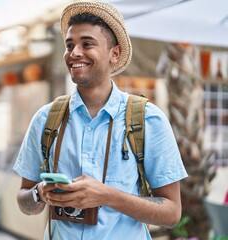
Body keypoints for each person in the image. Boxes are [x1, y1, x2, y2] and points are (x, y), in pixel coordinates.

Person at [13, 2, 188, 239]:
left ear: (114, 53)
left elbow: (171, 213)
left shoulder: (148, 120)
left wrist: (106, 196)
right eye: (69, 45)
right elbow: (24, 199)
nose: (74, 53)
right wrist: (40, 193)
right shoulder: (46, 119)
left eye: (87, 44)